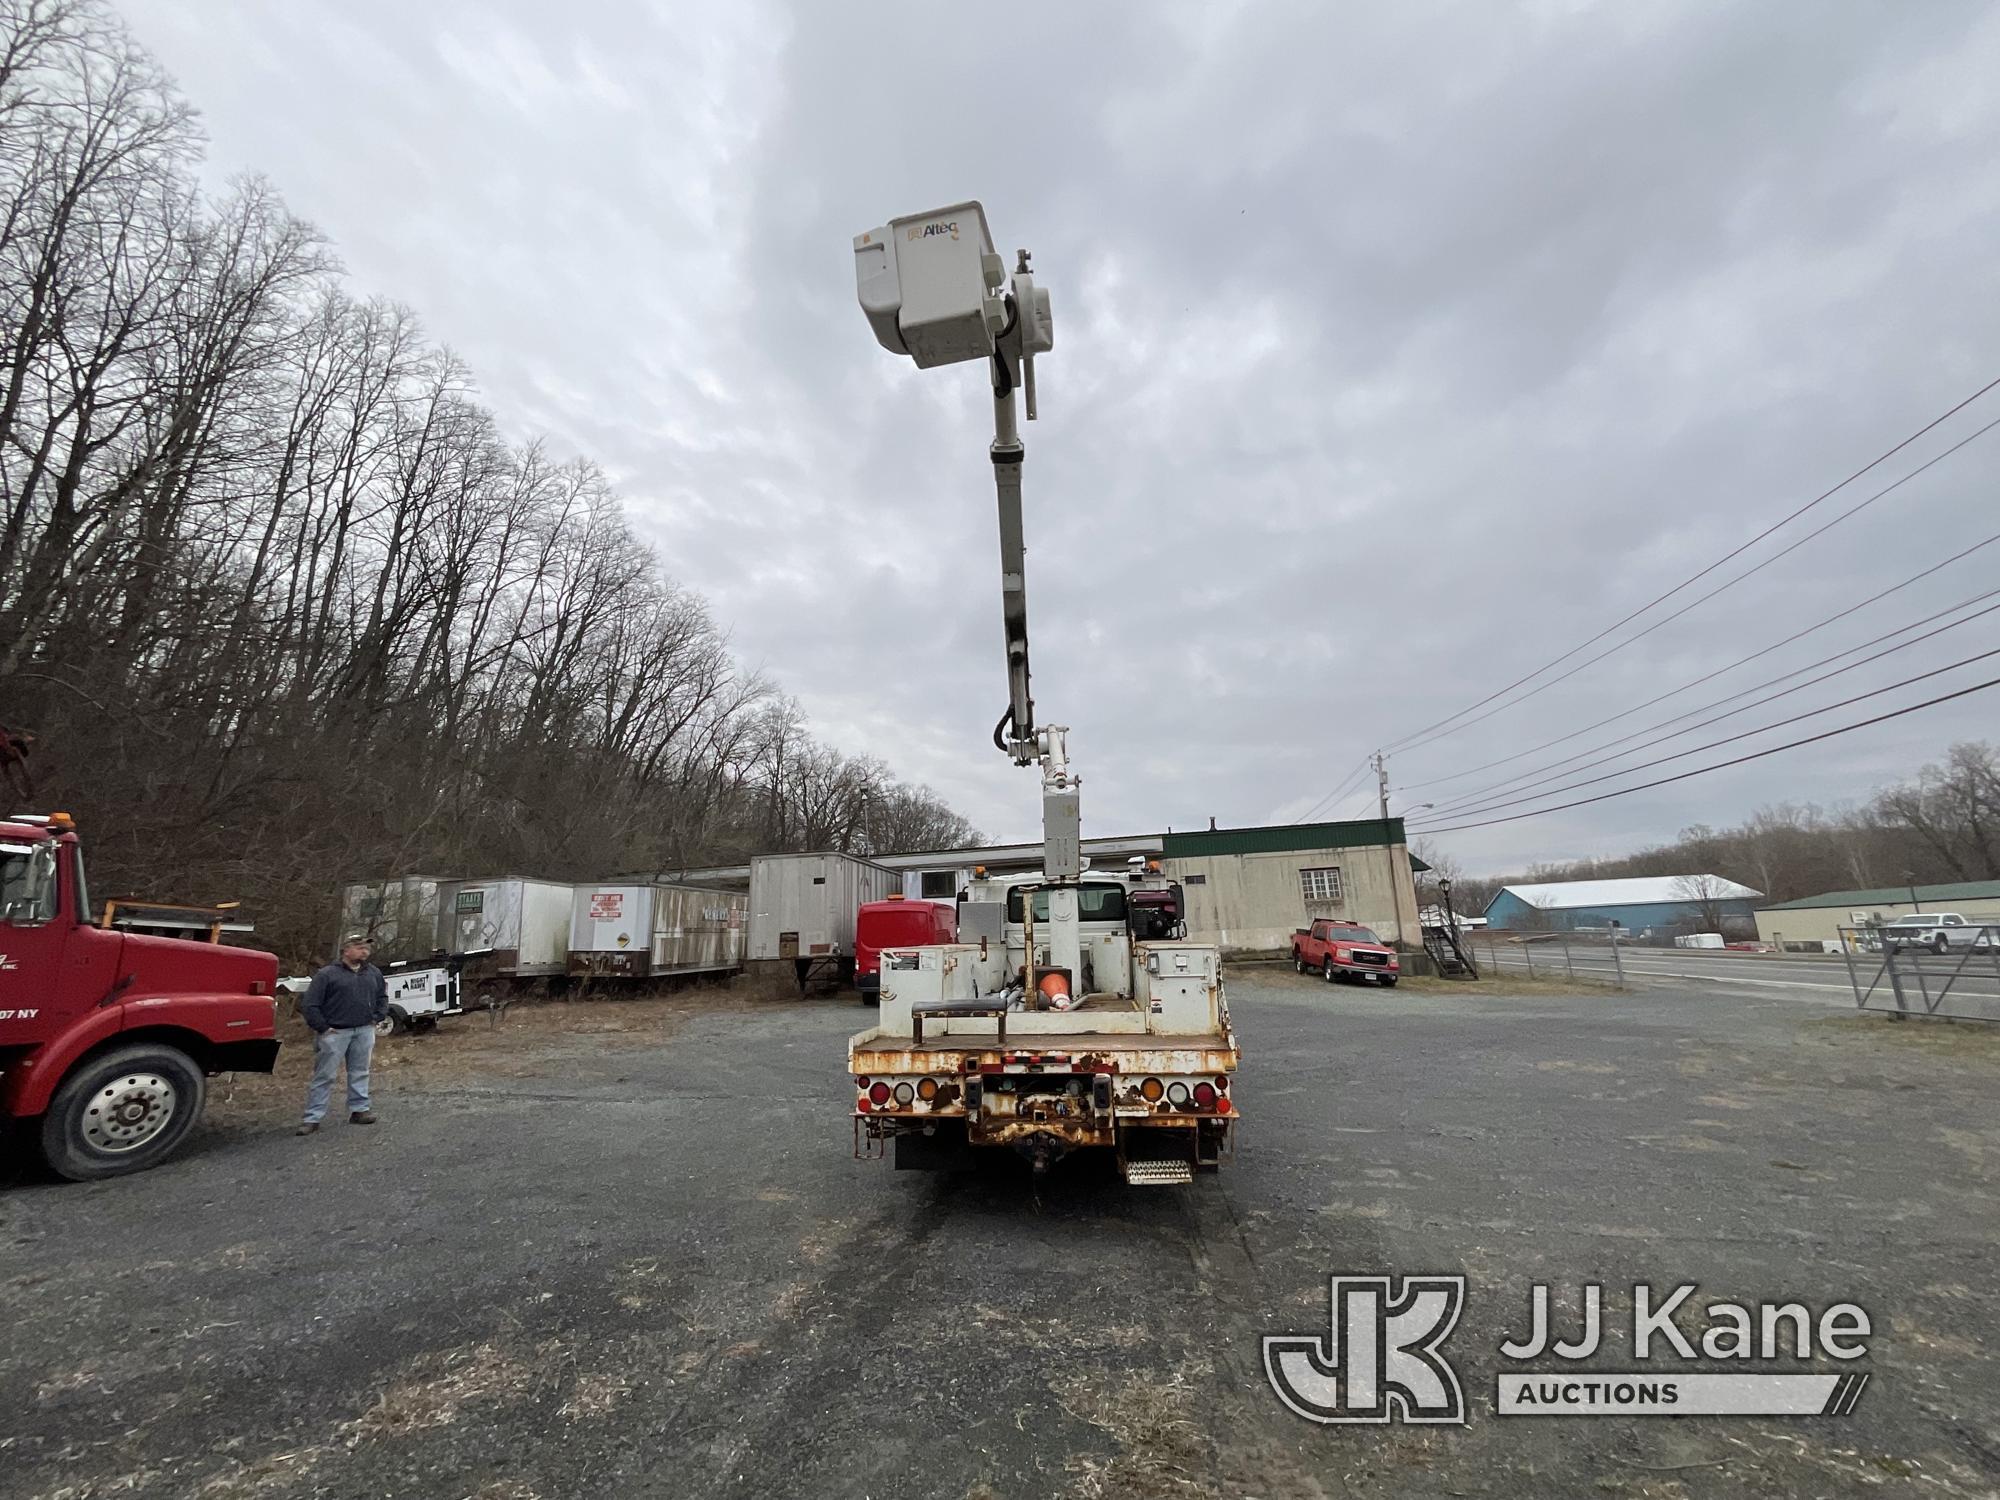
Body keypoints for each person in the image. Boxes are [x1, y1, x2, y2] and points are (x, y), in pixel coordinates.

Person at [296, 934, 388, 1134]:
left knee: (360, 1072)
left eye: (366, 947)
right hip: (335, 1032)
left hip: (364, 1029)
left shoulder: (373, 973)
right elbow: (310, 1004)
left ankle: (359, 1110)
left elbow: (382, 996)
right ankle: (312, 1118)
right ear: (346, 950)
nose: (364, 950)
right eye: (358, 946)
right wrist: (323, 1027)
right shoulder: (327, 974)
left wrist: (377, 1017)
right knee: (324, 1075)